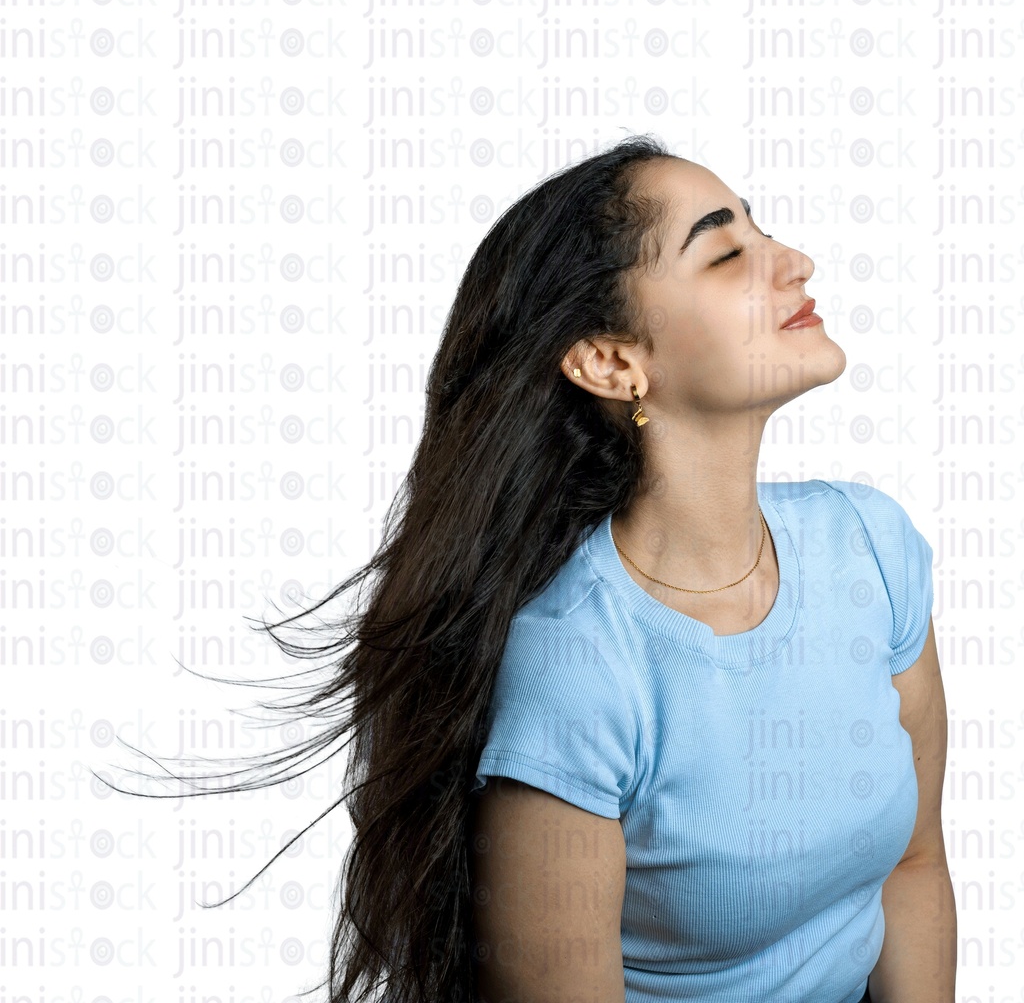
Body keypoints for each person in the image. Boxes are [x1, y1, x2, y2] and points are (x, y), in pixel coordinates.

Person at [108, 134, 955, 1003]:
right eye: (727, 251)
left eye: (762, 230)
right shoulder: (578, 666)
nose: (795, 262)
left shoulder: (871, 551)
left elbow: (916, 863)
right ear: (612, 362)